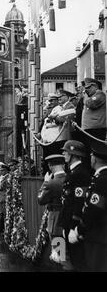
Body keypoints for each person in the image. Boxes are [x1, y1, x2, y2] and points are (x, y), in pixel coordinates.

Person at [75, 139, 107, 271]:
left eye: (92, 155)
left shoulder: (101, 180)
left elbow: (94, 208)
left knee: (95, 266)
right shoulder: (99, 178)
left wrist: (80, 228)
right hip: (97, 234)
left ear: (95, 158)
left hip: (98, 235)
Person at [58, 140, 90, 271]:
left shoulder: (80, 174)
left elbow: (79, 202)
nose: (64, 153)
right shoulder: (73, 172)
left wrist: (73, 227)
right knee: (71, 257)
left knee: (77, 260)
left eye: (66, 151)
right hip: (67, 221)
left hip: (73, 224)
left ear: (74, 154)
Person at [37, 154, 66, 266]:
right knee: (65, 254)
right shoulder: (70, 178)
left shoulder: (52, 183)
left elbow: (40, 200)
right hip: (67, 218)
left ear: (50, 166)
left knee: (59, 255)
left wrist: (45, 183)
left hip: (56, 219)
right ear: (63, 165)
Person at [81, 78, 106, 142]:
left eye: (88, 87)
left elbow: (91, 104)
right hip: (90, 129)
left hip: (96, 129)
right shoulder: (91, 97)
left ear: (95, 87)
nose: (86, 90)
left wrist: (85, 96)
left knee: (96, 149)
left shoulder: (100, 94)